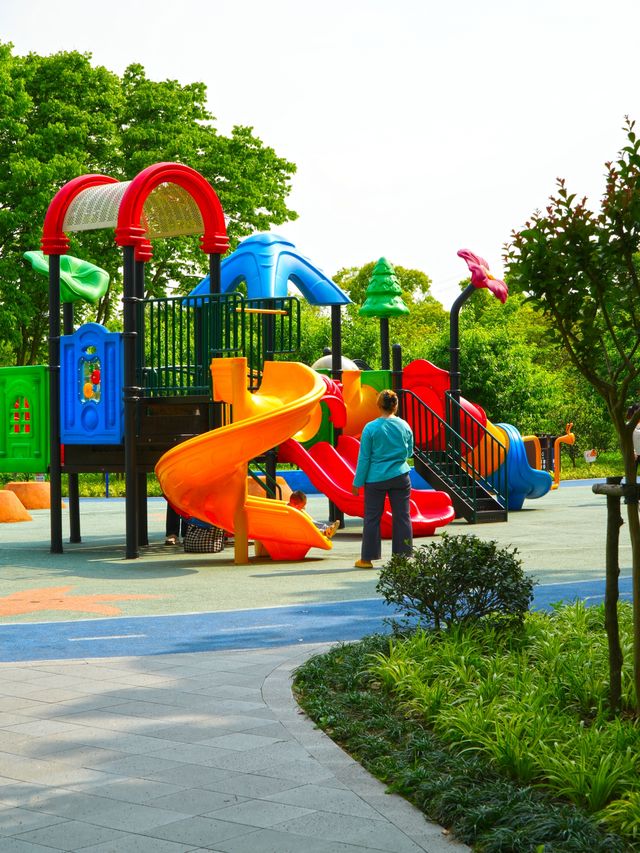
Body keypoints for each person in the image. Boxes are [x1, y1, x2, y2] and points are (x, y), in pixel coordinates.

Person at [351, 389, 414, 569]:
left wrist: (357, 483)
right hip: (400, 475)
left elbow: (364, 458)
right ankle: (402, 557)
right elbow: (409, 452)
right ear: (395, 405)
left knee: (372, 518)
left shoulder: (370, 428)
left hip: (375, 478)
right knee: (402, 516)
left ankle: (367, 559)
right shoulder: (404, 426)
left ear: (379, 405)